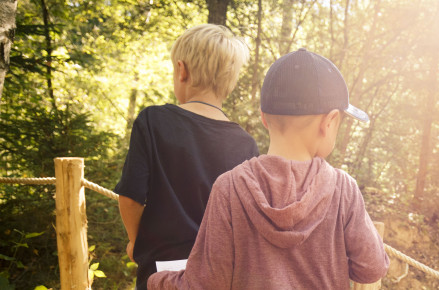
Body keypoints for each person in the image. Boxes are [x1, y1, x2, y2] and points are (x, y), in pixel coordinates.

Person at [148, 48, 390, 289]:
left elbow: (206, 284)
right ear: (329, 122)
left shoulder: (229, 188)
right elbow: (372, 268)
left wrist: (156, 280)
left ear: (264, 117)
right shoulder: (343, 189)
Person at [114, 24, 259, 290]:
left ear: (182, 71)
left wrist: (137, 242)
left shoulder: (153, 121)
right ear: (230, 81)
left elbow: (130, 198)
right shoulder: (246, 145)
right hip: (219, 276)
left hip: (160, 273)